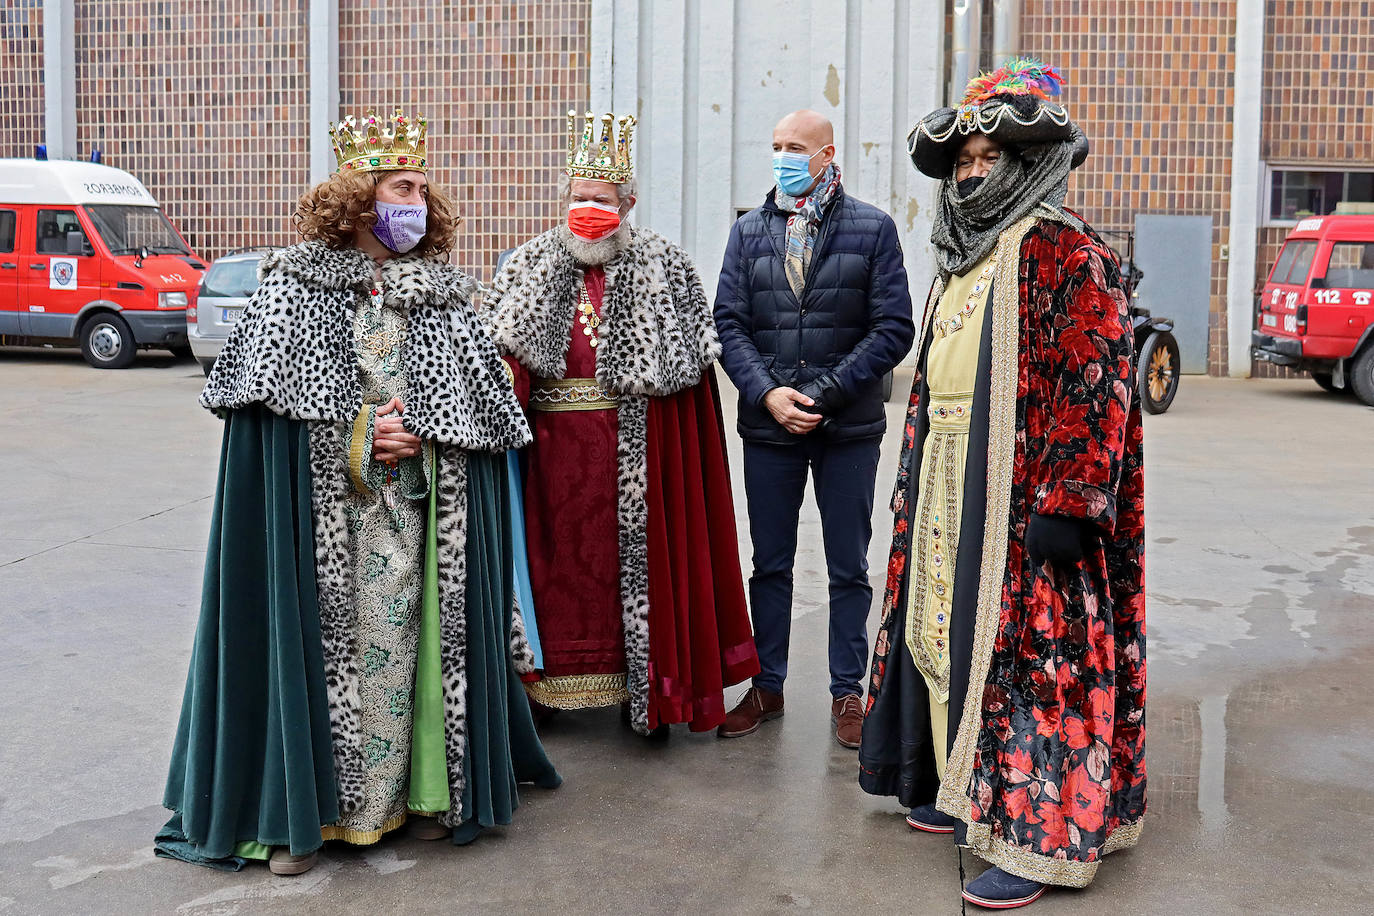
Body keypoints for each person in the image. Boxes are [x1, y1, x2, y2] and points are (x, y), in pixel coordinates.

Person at [157, 108, 559, 875]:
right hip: (323, 525)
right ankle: (298, 814)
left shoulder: (445, 298)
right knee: (322, 660)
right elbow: (262, 434)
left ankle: (422, 799)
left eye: (420, 186)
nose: (416, 198)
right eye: (400, 184)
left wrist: (431, 440)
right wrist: (354, 437)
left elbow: (479, 417)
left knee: (412, 662)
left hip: (415, 514)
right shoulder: (291, 291)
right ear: (358, 194)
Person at [858, 60, 1146, 909]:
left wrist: (1072, 501)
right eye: (963, 160)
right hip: (952, 475)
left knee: (1035, 659)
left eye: (990, 157)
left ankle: (1038, 840)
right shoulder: (962, 253)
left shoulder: (1065, 248)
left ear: (1028, 162)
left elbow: (1097, 382)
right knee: (945, 637)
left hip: (1030, 499)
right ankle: (961, 786)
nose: (973, 171)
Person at [485, 111, 759, 738]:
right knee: (548, 569)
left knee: (635, 574)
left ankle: (649, 692)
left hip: (637, 454)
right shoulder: (525, 267)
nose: (588, 209)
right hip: (547, 459)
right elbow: (500, 365)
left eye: (602, 200)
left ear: (628, 202)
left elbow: (688, 378)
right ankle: (541, 692)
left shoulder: (667, 266)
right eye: (579, 198)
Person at [712, 109, 915, 747]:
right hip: (769, 426)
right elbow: (729, 323)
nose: (781, 157)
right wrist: (768, 393)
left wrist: (823, 393)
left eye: (794, 147)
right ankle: (765, 686)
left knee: (848, 566)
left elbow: (892, 329)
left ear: (826, 154)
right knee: (768, 563)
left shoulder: (873, 229)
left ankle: (846, 693)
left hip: (847, 428)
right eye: (774, 146)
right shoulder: (749, 232)